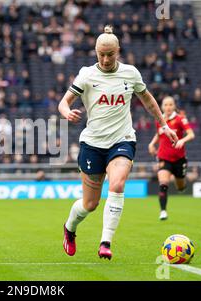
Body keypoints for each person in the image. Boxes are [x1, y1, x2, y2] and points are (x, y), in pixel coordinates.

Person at [59, 25, 178, 260]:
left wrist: (163, 124)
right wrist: (67, 113)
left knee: (117, 185)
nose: (105, 59)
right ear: (95, 52)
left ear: (118, 51)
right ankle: (70, 228)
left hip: (122, 140)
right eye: (101, 54)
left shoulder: (130, 73)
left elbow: (148, 99)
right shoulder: (86, 75)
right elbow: (64, 102)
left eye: (110, 54)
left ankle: (105, 242)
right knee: (89, 204)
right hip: (92, 144)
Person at [148, 96, 195, 221]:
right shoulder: (159, 120)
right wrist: (152, 144)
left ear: (174, 106)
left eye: (170, 104)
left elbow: (191, 134)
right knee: (163, 184)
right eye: (165, 105)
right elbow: (159, 134)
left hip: (179, 158)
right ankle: (163, 211)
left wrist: (182, 140)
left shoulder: (180, 119)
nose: (168, 107)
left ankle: (180, 183)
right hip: (164, 157)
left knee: (180, 187)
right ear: (162, 107)